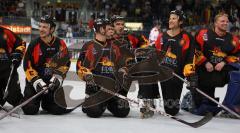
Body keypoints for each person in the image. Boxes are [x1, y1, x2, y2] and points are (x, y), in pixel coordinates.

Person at [76, 18, 130, 118]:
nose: (112, 29)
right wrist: (87, 75)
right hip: (95, 91)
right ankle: (93, 101)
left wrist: (123, 72)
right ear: (101, 29)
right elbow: (79, 67)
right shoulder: (88, 46)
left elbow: (123, 65)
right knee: (94, 112)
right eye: (109, 27)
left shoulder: (115, 47)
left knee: (123, 110)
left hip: (112, 91)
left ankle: (107, 103)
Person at [22, 15, 73, 115]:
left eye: (44, 27)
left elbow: (66, 63)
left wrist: (58, 77)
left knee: (59, 109)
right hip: (35, 83)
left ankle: (46, 103)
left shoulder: (60, 44)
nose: (41, 29)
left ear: (52, 29)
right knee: (29, 109)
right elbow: (27, 65)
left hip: (52, 84)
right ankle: (27, 98)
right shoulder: (33, 44)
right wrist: (36, 81)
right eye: (40, 26)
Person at [192, 12, 240, 116]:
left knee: (238, 74)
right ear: (215, 23)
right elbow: (194, 50)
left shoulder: (234, 40)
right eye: (222, 21)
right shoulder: (203, 34)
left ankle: (230, 105)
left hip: (221, 71)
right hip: (203, 71)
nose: (225, 23)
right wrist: (204, 62)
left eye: (227, 21)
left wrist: (224, 62)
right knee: (203, 110)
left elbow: (236, 56)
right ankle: (193, 99)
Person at [110, 15, 155, 118]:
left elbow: (146, 44)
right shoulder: (107, 39)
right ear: (111, 26)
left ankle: (147, 102)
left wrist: (142, 51)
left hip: (127, 74)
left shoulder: (131, 36)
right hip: (111, 78)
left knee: (147, 68)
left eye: (122, 24)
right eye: (117, 24)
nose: (121, 26)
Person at [152, 10, 195, 116]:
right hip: (164, 74)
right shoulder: (162, 36)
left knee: (173, 110)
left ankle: (187, 100)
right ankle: (149, 101)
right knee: (169, 109)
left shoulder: (187, 37)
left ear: (180, 22)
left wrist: (190, 74)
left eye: (174, 18)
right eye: (170, 18)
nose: (170, 20)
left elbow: (190, 57)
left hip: (177, 75)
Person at [0, 26, 26, 107]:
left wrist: (18, 53)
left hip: (9, 71)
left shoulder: (6, 32)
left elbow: (21, 43)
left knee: (16, 100)